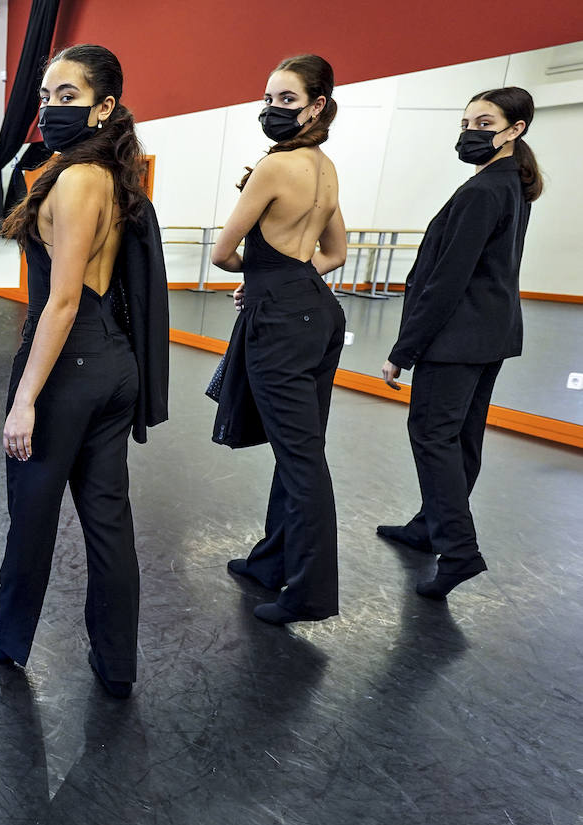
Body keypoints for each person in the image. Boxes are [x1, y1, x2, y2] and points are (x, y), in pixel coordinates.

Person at [0, 44, 170, 699]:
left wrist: (25, 398)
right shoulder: (105, 172)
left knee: (32, 510)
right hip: (112, 363)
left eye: (68, 95)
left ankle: (10, 635)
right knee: (107, 518)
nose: (50, 107)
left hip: (69, 368)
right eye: (46, 96)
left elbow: (61, 301)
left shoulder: (80, 178)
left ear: (104, 106)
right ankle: (116, 660)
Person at [377, 87, 540, 600]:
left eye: (484, 123)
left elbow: (447, 279)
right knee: (462, 438)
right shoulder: (510, 182)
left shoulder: (483, 190)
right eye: (466, 122)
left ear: (514, 129)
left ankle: (459, 550)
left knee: (433, 437)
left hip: (456, 337)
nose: (470, 132)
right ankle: (430, 527)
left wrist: (403, 350)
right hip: (490, 333)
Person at [211, 54, 347, 626]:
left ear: (317, 106)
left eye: (287, 99)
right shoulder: (326, 167)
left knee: (300, 458)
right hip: (320, 313)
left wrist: (263, 279)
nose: (272, 108)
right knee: (300, 447)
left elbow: (223, 254)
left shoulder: (273, 167)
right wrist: (283, 280)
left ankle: (310, 593)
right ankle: (272, 562)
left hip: (283, 324)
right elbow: (335, 254)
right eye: (268, 98)